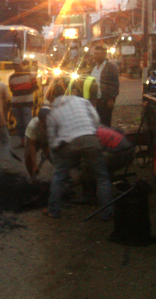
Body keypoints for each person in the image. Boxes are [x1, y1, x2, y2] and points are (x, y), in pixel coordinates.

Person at [43, 79, 112, 220]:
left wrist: (56, 158)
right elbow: (96, 120)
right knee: (103, 178)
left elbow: (52, 138)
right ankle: (107, 213)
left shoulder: (53, 112)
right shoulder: (82, 102)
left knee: (59, 177)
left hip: (68, 143)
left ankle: (53, 210)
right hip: (89, 139)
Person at [74, 126, 136, 203]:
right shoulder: (97, 128)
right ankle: (125, 187)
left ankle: (88, 195)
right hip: (128, 151)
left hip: (122, 154)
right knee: (102, 168)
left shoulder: (89, 135)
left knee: (87, 165)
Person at [8, 58, 39, 148]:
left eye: (17, 65)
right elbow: (12, 89)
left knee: (27, 123)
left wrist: (25, 92)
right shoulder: (11, 77)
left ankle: (30, 142)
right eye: (14, 65)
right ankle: (23, 142)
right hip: (16, 104)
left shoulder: (30, 75)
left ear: (21, 65)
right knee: (20, 124)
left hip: (26, 102)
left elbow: (35, 87)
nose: (15, 67)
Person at [90, 45, 120, 126]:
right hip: (95, 100)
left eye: (97, 54)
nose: (95, 56)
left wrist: (112, 98)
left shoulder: (110, 67)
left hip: (105, 100)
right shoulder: (94, 67)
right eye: (94, 54)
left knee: (105, 122)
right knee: (96, 122)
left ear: (103, 54)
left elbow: (114, 84)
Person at [24, 106, 51, 178]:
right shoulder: (33, 125)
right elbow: (32, 145)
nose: (46, 125)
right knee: (28, 156)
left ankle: (63, 176)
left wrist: (49, 148)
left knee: (57, 158)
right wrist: (34, 165)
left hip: (50, 141)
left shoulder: (56, 124)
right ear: (39, 121)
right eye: (44, 124)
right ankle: (32, 175)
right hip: (37, 140)